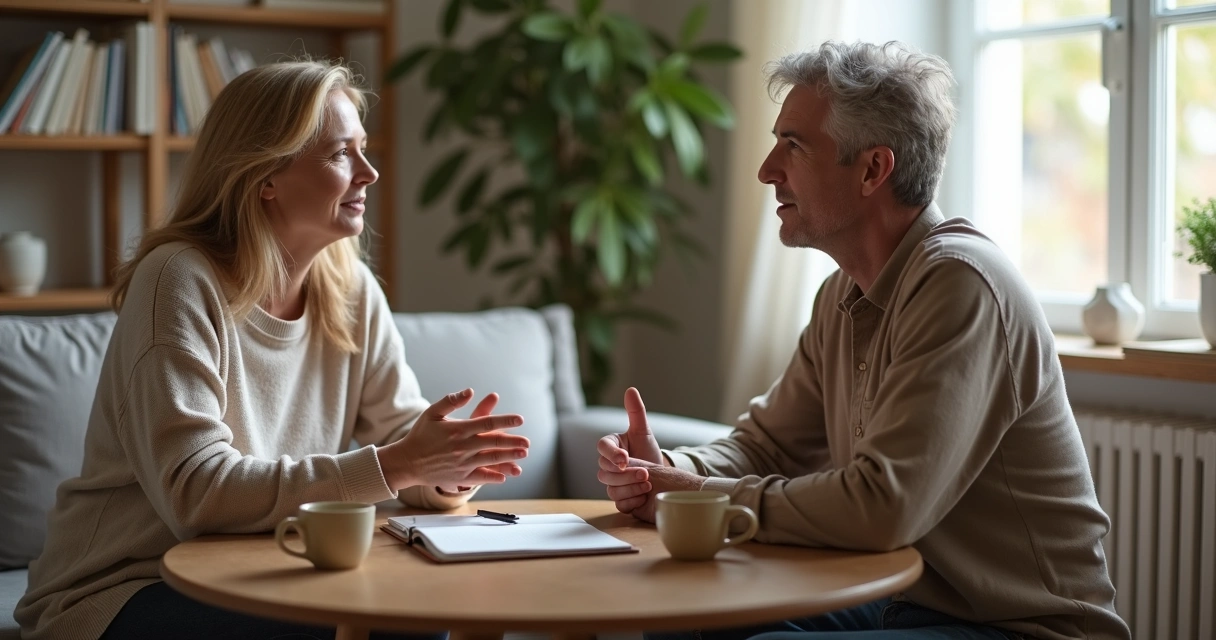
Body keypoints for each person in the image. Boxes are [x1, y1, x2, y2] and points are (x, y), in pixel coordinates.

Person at [597, 41, 1131, 640]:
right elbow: (767, 446)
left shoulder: (961, 285)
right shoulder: (841, 294)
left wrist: (699, 494)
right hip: (900, 598)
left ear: (874, 169)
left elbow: (882, 508)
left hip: (1019, 626)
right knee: (681, 616)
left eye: (794, 146)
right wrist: (663, 469)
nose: (767, 170)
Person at [15, 60, 530, 640]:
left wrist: (444, 470)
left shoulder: (351, 290)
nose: (369, 173)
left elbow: (399, 438)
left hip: (268, 566)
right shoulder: (178, 280)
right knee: (379, 628)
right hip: (126, 586)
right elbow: (197, 494)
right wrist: (401, 463)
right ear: (266, 176)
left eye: (363, 150)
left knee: (424, 618)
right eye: (341, 154)